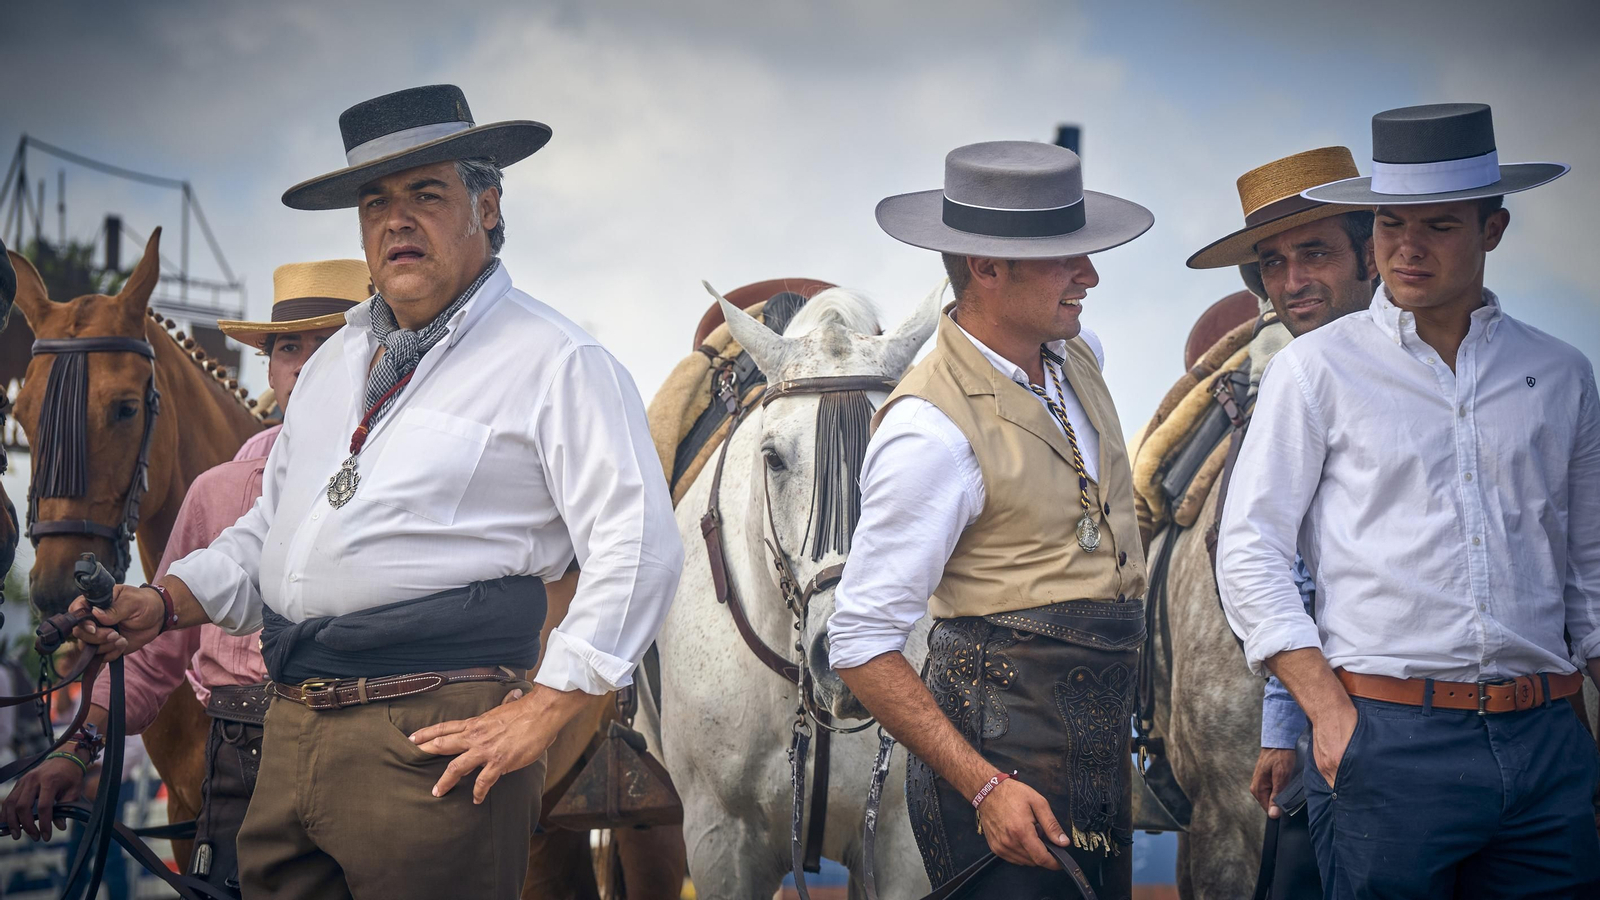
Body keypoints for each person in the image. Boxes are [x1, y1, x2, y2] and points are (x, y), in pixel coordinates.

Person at [63, 84, 683, 899]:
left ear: (487, 206)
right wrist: (168, 601)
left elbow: (639, 545)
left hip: (429, 736)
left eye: (426, 194)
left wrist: (549, 706)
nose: (396, 220)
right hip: (288, 734)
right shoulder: (331, 369)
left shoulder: (556, 360)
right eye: (375, 201)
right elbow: (269, 537)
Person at [1219, 102, 1599, 897]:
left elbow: (1587, 564)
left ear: (1492, 230)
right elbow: (1253, 551)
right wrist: (1324, 713)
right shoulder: (1314, 371)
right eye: (1393, 222)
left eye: (1440, 226)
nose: (1409, 247)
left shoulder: (1560, 374)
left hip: (1545, 738)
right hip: (1387, 738)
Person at [830, 140, 1153, 897]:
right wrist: (984, 789)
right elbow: (861, 642)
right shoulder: (928, 433)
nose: (1091, 277)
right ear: (985, 266)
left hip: (1098, 768)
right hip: (1000, 792)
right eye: (1063, 258)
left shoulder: (1080, 355)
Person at [0, 259, 365, 890]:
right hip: (235, 780)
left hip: (364, 776)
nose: (304, 365)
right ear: (272, 371)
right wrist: (74, 748)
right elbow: (155, 656)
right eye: (286, 347)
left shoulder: (410, 488)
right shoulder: (218, 493)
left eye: (330, 346)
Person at [1188, 146, 1377, 819]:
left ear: (1371, 254)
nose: (1292, 280)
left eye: (1315, 254)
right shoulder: (1294, 385)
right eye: (1272, 263)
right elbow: (1286, 565)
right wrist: (1288, 721)